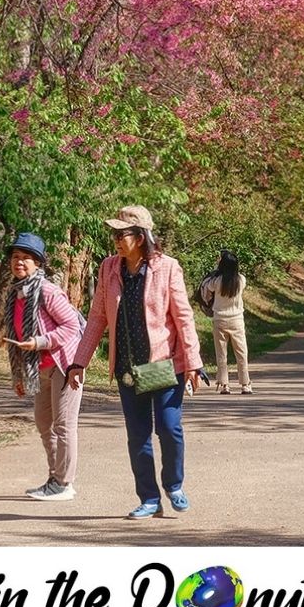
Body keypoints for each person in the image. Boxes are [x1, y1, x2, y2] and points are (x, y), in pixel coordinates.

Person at [68, 205, 202, 519]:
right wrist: (79, 362)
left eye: (122, 233)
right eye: (114, 233)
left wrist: (193, 361)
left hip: (163, 364)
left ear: (140, 237)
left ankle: (174, 484)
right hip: (127, 366)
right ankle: (149, 498)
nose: (115, 239)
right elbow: (98, 317)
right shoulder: (108, 268)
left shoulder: (167, 267)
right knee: (138, 435)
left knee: (169, 429)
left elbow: (183, 317)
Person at [3, 231, 84, 501]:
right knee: (43, 424)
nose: (20, 262)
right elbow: (15, 340)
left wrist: (40, 342)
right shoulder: (16, 294)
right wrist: (18, 375)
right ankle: (53, 478)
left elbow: (71, 326)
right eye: (16, 257)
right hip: (39, 369)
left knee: (63, 425)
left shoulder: (47, 291)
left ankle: (64, 483)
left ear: (38, 263)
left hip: (65, 365)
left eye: (27, 258)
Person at [203, 249, 252, 395]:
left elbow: (206, 287)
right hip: (237, 320)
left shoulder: (216, 281)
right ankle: (245, 384)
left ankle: (225, 385)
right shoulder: (241, 280)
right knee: (241, 353)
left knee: (221, 354)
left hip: (219, 319)